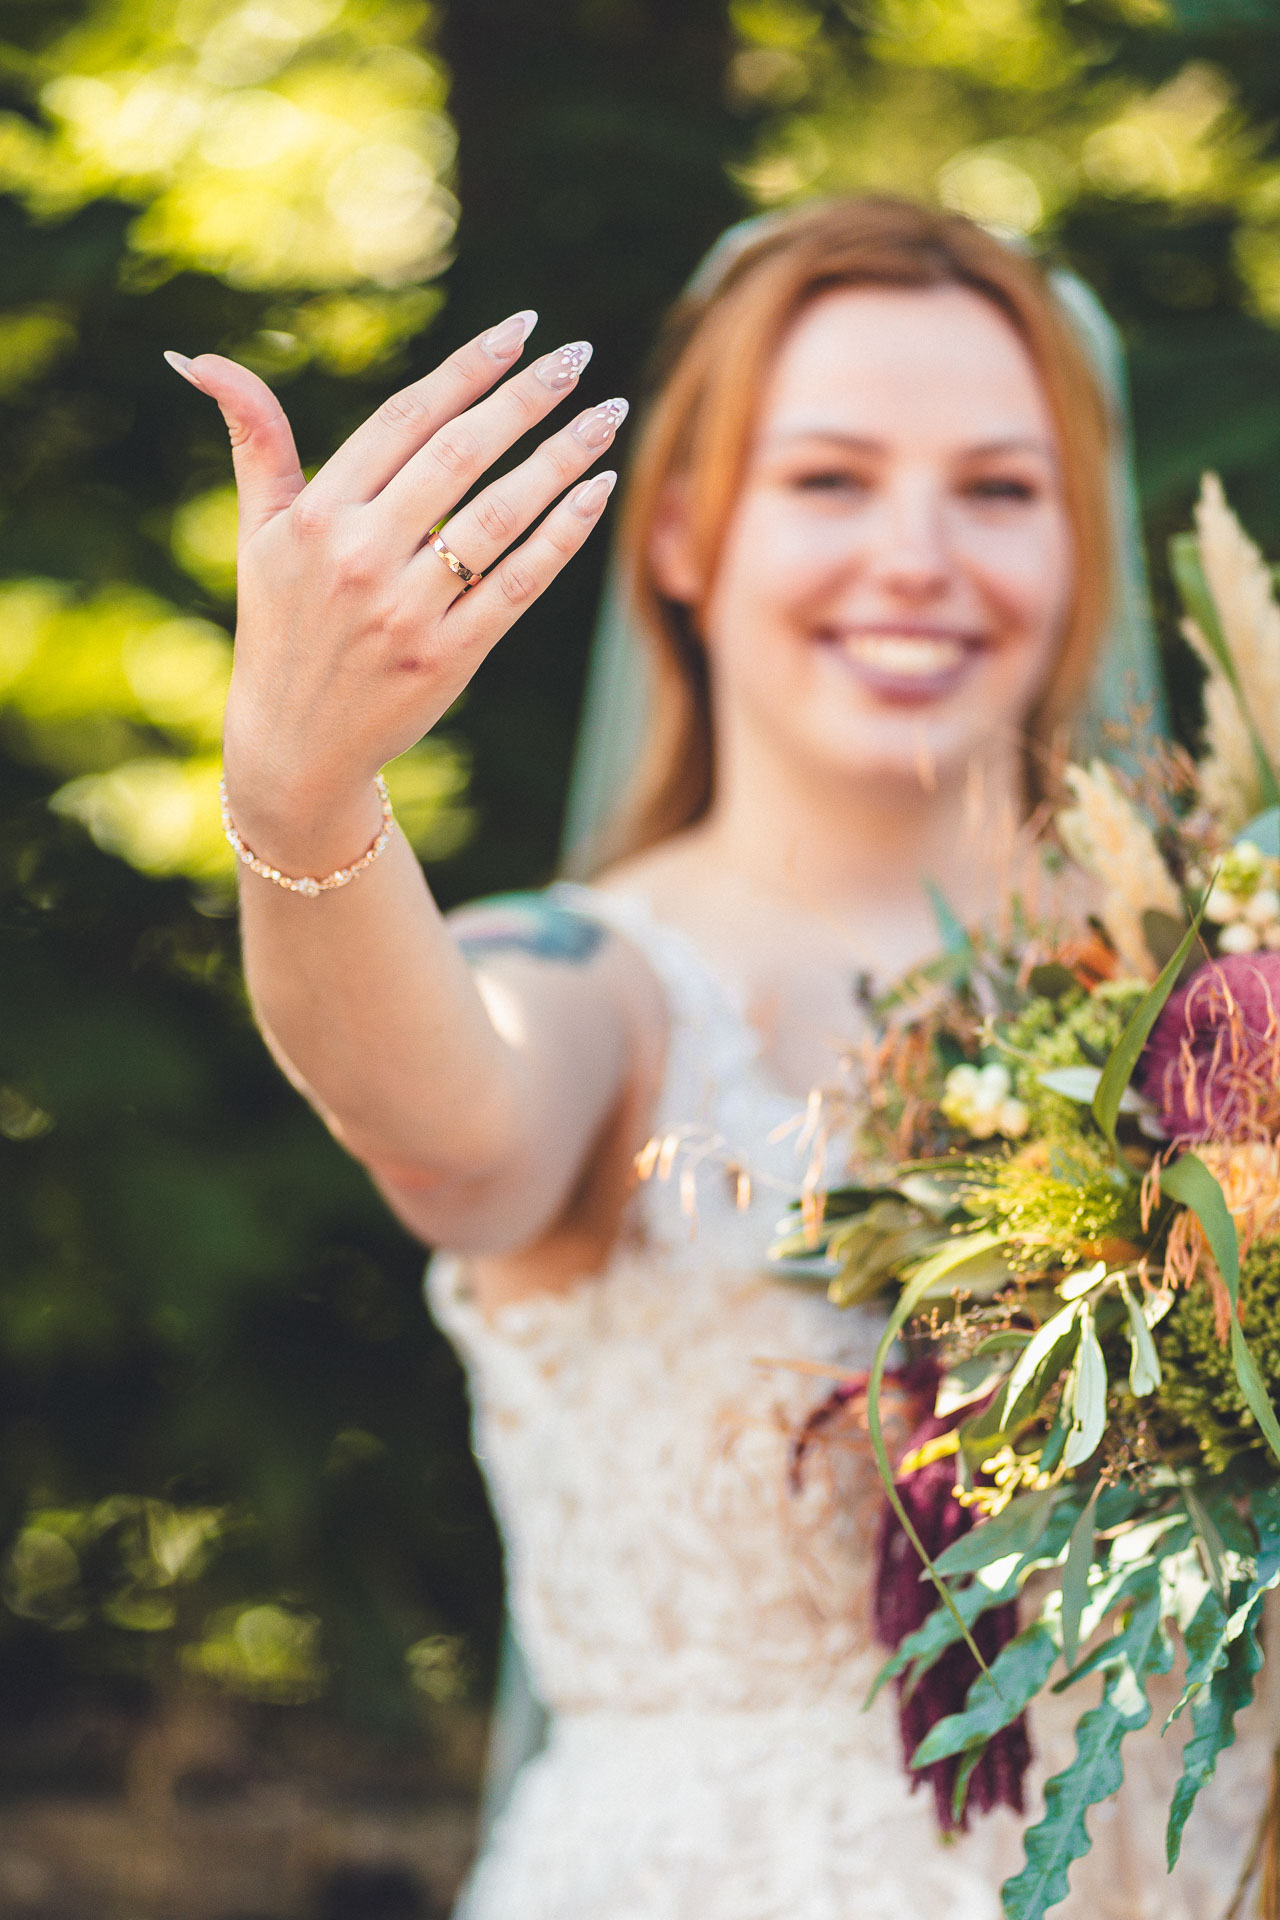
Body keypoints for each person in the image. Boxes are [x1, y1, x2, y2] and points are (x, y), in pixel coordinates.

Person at [169, 198, 1275, 1918]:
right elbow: (443, 1119)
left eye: (998, 486)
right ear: (682, 529)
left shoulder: (1232, 991)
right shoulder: (594, 984)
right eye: (829, 479)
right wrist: (301, 806)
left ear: (1084, 539)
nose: (918, 551)